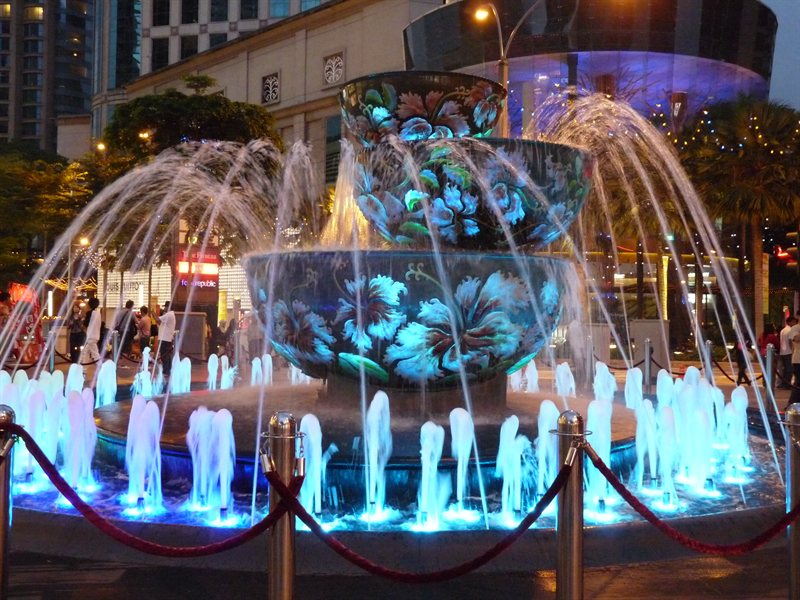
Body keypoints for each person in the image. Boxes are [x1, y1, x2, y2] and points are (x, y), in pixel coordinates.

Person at [79, 297, 102, 368]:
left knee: (94, 354)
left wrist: (82, 319)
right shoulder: (98, 313)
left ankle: (101, 368)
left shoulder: (90, 313)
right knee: (86, 352)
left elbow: (85, 324)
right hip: (95, 335)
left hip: (90, 336)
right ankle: (84, 370)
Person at [157, 301, 176, 380]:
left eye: (165, 307)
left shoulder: (169, 314)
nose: (164, 308)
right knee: (166, 355)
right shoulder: (170, 315)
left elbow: (157, 320)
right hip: (166, 338)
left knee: (164, 355)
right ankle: (168, 370)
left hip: (165, 339)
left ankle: (166, 371)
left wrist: (152, 312)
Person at [779, 316, 797, 389]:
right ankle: (787, 384)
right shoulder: (790, 330)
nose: (795, 323)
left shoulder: (783, 330)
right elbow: (790, 341)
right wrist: (793, 350)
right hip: (788, 352)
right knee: (789, 369)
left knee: (785, 369)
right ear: (790, 322)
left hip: (782, 352)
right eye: (794, 322)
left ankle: (784, 383)